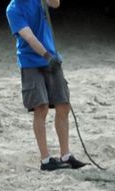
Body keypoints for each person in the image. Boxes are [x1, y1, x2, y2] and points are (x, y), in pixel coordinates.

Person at [6, 0, 86, 171]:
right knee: (40, 108)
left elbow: (56, 4)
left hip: (51, 56)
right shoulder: (13, 9)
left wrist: (50, 56)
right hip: (31, 62)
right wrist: (47, 56)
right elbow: (28, 36)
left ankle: (66, 155)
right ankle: (46, 160)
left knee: (63, 105)